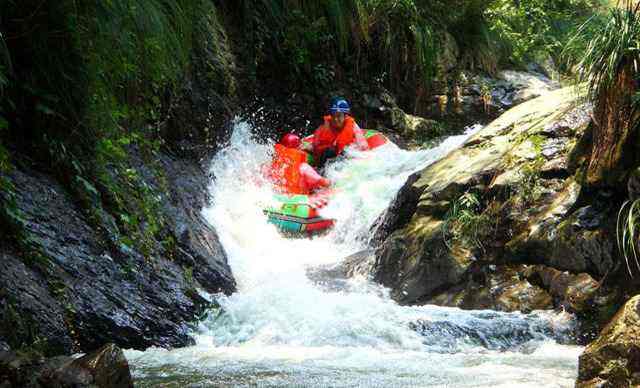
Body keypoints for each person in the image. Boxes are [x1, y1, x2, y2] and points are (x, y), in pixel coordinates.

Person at [308, 97, 369, 166]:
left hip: (348, 159)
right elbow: (317, 144)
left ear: (345, 116)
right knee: (328, 152)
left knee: (343, 152)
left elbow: (364, 148)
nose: (335, 119)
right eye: (333, 116)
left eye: (339, 116)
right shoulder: (326, 126)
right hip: (328, 160)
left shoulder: (353, 127)